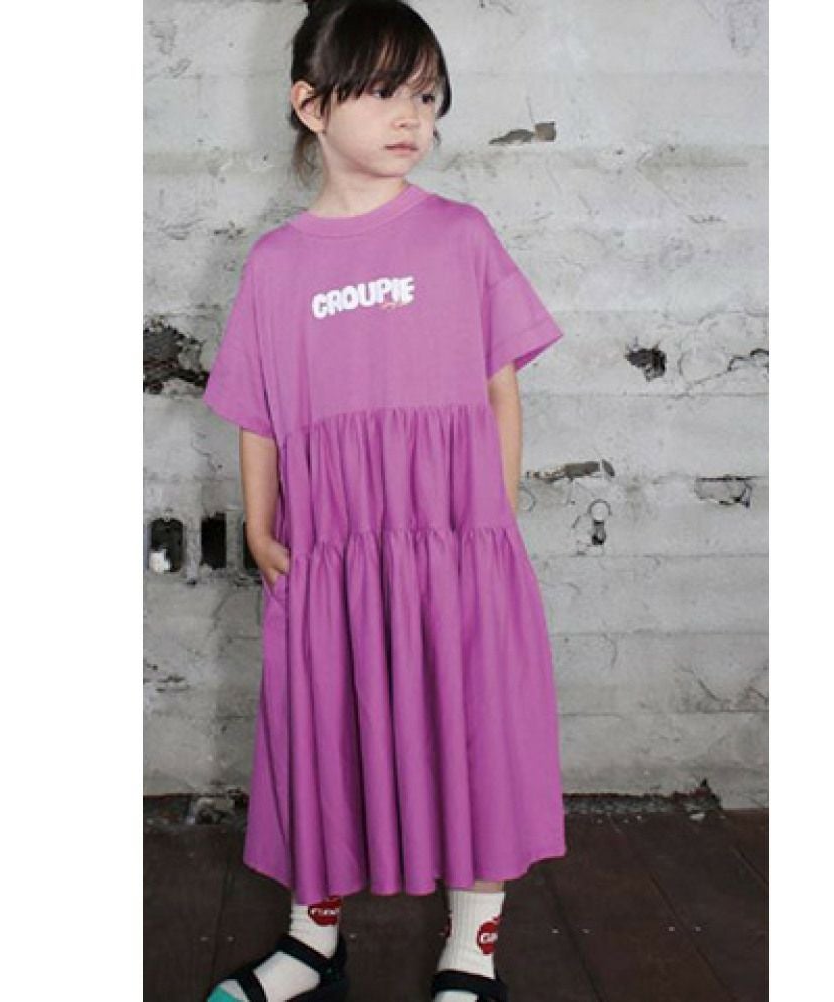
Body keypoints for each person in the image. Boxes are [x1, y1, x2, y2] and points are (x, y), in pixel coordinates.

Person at [201, 1, 567, 999]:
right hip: (332, 546)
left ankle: (472, 949)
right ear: (310, 105)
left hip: (455, 539)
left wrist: (490, 517)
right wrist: (262, 525)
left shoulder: (460, 236)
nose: (411, 116)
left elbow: (499, 388)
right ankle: (312, 944)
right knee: (322, 731)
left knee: (472, 726)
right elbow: (258, 414)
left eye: (425, 95)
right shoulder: (277, 264)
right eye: (379, 93)